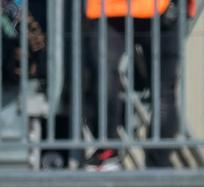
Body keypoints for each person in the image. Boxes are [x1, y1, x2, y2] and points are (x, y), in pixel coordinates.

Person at [83, 0, 196, 172]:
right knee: (163, 94)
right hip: (160, 9)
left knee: (104, 76)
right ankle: (158, 166)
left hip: (112, 9)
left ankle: (109, 150)